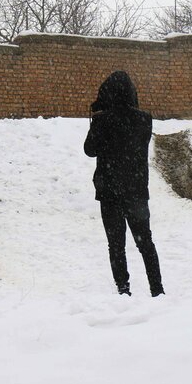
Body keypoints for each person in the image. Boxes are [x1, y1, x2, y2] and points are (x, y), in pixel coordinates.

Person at [83, 70, 164, 297]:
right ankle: (157, 290)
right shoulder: (144, 120)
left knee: (116, 245)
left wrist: (97, 119)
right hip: (136, 191)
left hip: (109, 192)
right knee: (145, 242)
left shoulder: (102, 121)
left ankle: (123, 289)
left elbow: (89, 150)